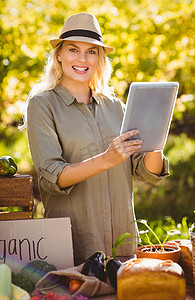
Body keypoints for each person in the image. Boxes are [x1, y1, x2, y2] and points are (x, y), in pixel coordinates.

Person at [26, 12, 169, 265]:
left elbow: (146, 172)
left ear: (99, 58)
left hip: (123, 244)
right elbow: (51, 176)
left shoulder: (115, 106)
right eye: (73, 49)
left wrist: (156, 134)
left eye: (91, 51)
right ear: (59, 54)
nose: (82, 59)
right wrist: (107, 159)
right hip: (75, 247)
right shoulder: (42, 104)